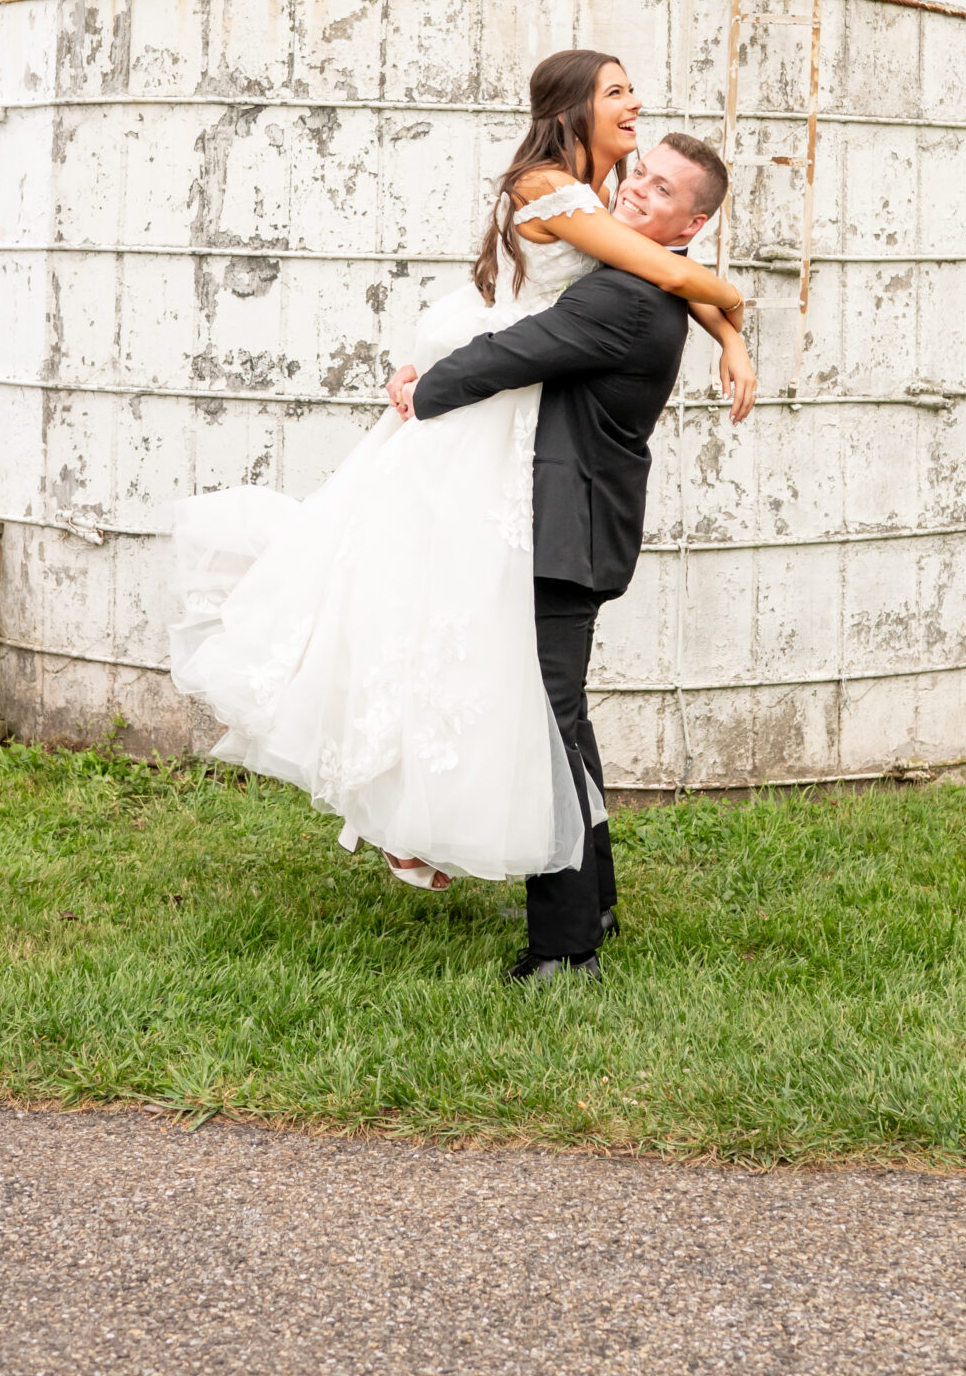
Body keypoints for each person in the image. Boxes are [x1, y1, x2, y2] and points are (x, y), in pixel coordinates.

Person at [168, 51, 751, 915]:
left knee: (487, 667)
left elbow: (660, 267)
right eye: (616, 93)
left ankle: (555, 913)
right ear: (573, 108)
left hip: (518, 427)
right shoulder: (552, 187)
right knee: (435, 632)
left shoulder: (609, 220)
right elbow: (665, 267)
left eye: (632, 94)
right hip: (493, 402)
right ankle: (499, 872)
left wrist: (728, 332)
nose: (632, 108)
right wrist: (735, 314)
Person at [394, 128, 733, 983]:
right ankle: (594, 905)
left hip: (563, 535)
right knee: (564, 724)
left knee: (544, 729)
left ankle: (564, 948)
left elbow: (510, 356)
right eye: (641, 174)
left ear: (689, 227)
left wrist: (422, 391)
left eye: (662, 191)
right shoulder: (638, 281)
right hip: (570, 528)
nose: (637, 188)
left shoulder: (620, 299)